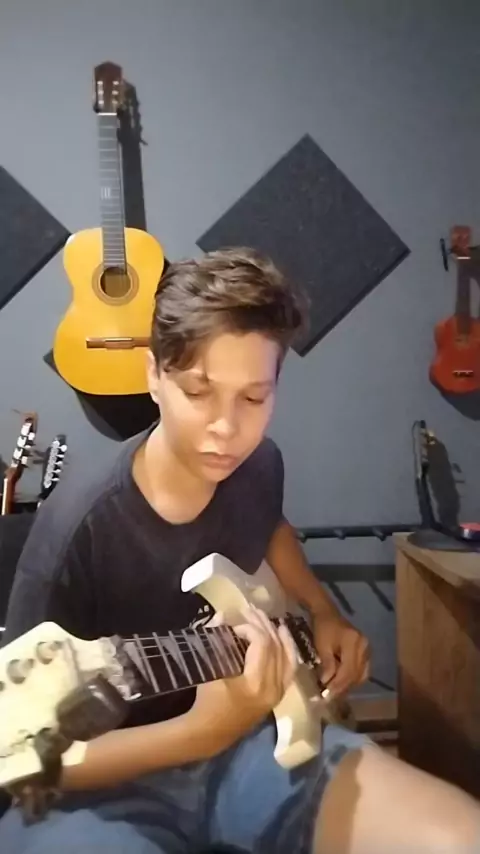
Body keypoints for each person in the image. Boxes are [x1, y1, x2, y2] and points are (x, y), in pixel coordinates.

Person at [1, 247, 479, 854]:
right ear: (153, 375)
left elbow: (270, 524)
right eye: (198, 392)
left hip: (251, 745)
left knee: (459, 836)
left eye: (253, 399)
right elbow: (20, 755)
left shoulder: (257, 465)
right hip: (102, 782)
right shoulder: (75, 533)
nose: (227, 429)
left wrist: (321, 610)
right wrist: (201, 733)